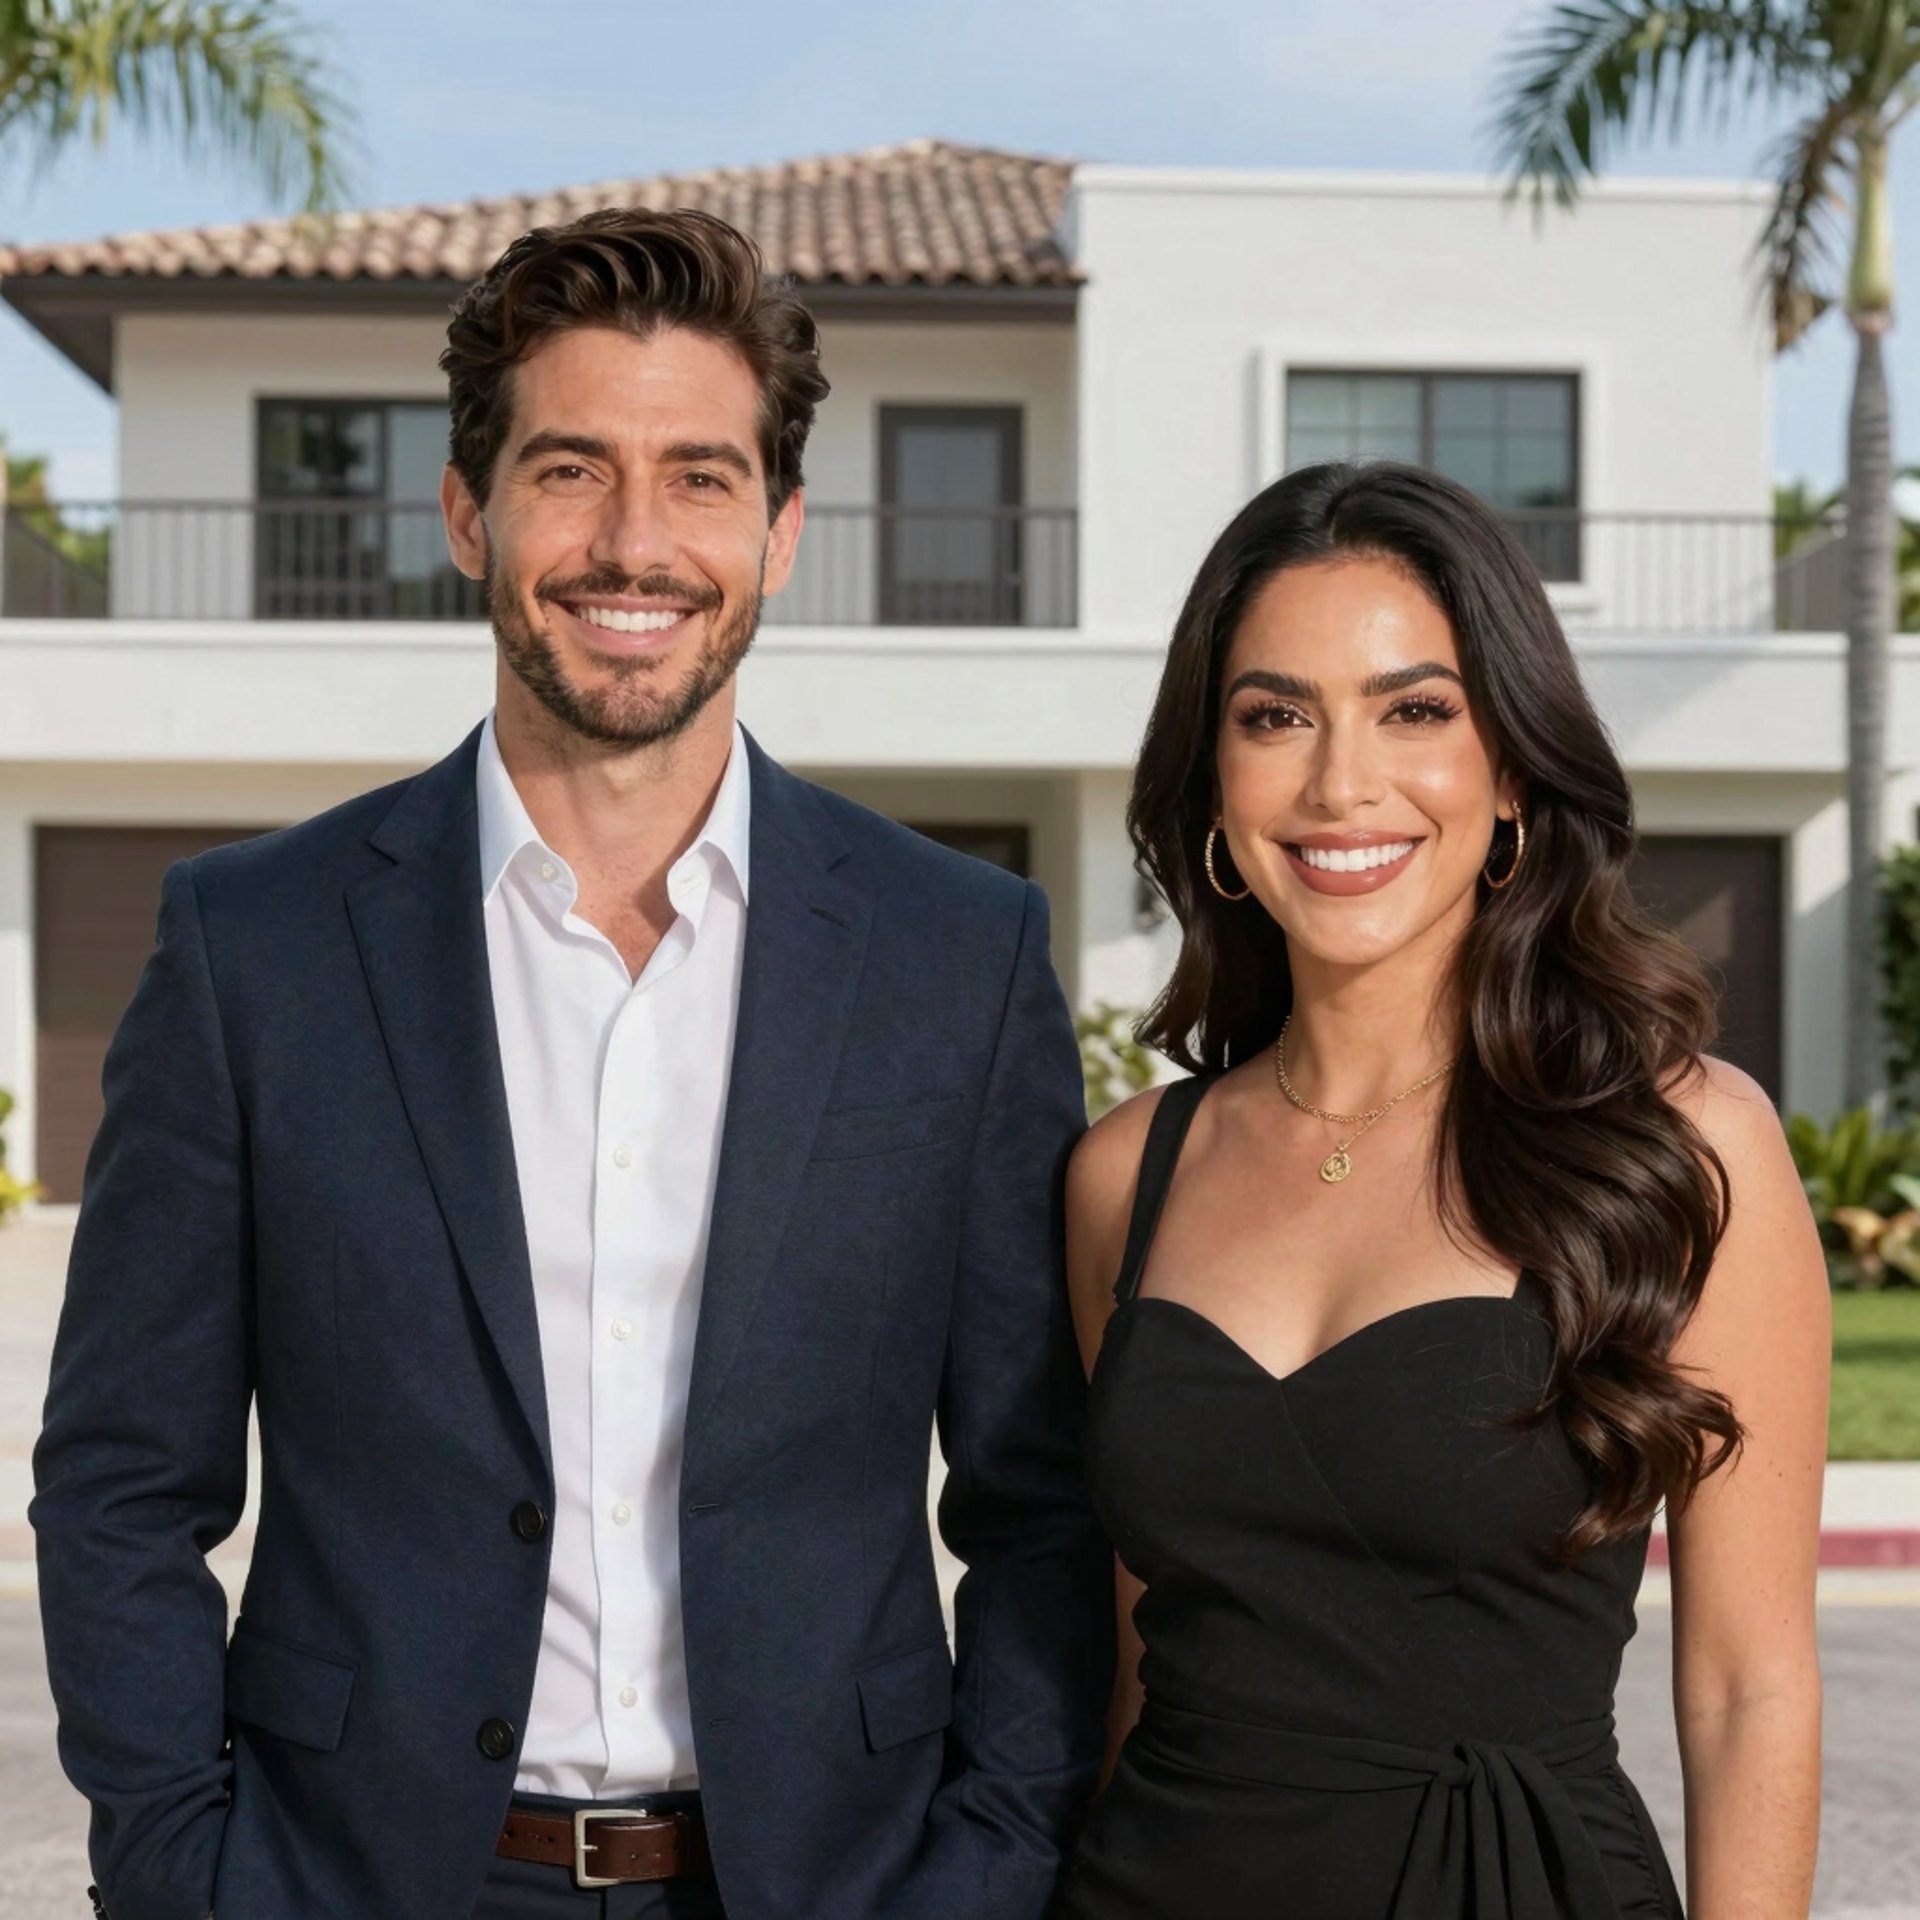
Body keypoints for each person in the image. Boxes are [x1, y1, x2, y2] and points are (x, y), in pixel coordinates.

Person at [33, 207, 1111, 1920]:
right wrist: (183, 1870)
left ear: (782, 531)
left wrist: (980, 1873)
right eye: (568, 470)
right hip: (358, 1883)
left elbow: (1041, 1507)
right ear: (469, 511)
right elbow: (119, 1484)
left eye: (699, 476)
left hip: (832, 1884)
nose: (633, 542)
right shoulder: (255, 949)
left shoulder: (957, 961)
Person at [1053, 461, 1829, 1919]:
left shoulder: (1685, 1146)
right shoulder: (1126, 1175)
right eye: (1275, 716)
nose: (1342, 783)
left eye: (1416, 710)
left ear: (1514, 769)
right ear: (1214, 786)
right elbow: (1135, 1655)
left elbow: (1747, 1688)